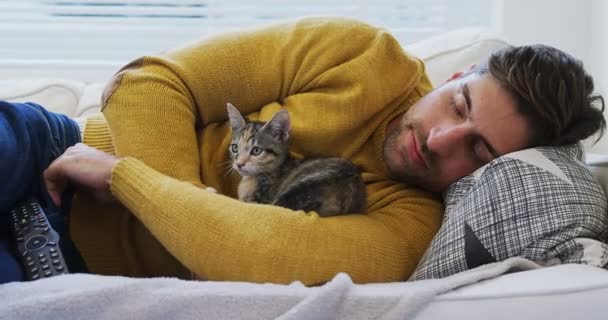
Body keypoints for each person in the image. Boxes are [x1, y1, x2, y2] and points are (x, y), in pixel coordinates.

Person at [2, 17, 605, 285]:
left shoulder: (411, 226)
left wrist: (131, 181)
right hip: (50, 150)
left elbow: (262, 253)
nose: (440, 140)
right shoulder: (362, 55)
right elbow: (149, 83)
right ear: (457, 77)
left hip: (59, 261)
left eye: (477, 151)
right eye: (460, 107)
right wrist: (192, 223)